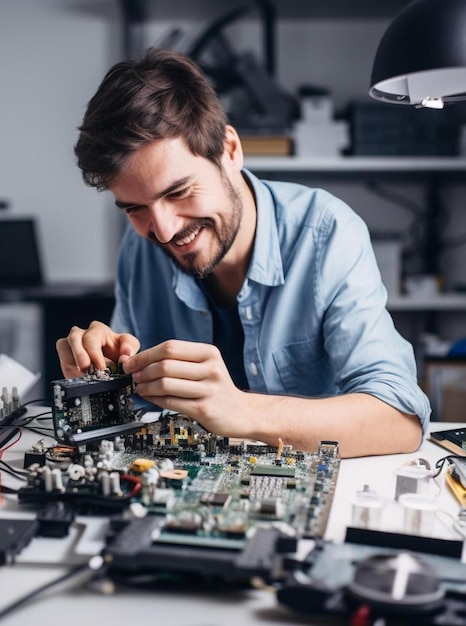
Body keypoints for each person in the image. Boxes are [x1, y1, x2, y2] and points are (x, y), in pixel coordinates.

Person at [57, 47, 431, 458]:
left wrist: (242, 410)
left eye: (179, 192)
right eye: (135, 208)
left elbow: (401, 420)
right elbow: (136, 406)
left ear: (230, 151)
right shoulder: (139, 247)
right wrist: (99, 377)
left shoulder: (327, 233)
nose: (163, 230)